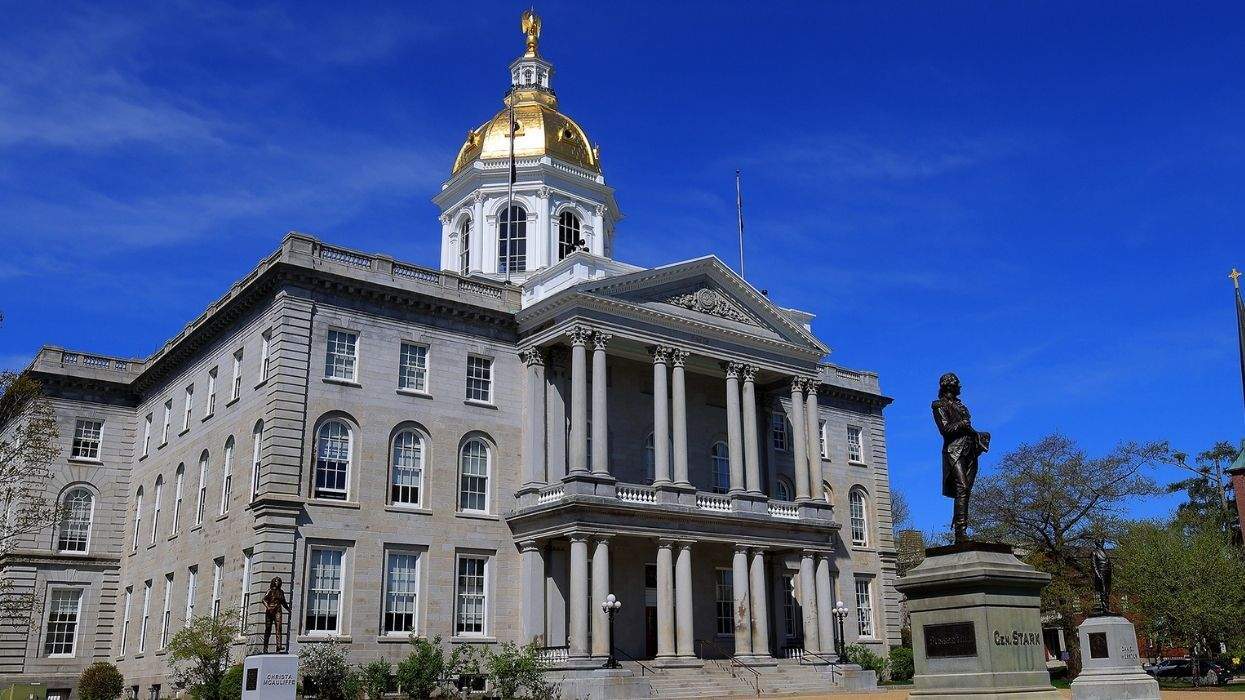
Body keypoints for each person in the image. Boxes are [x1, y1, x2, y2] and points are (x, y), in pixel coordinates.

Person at [932, 372, 991, 543]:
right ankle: (960, 532)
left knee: (965, 491)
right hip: (954, 451)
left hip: (969, 450)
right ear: (948, 385)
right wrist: (962, 424)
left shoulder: (961, 406)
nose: (960, 386)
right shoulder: (938, 406)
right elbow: (945, 430)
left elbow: (967, 429)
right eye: (957, 383)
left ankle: (961, 529)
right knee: (962, 487)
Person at [262, 577, 291, 653]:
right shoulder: (270, 591)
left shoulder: (281, 592)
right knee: (268, 629)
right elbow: (264, 599)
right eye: (276, 581)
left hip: (278, 611)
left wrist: (288, 609)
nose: (277, 582)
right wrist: (268, 606)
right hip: (270, 611)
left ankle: (279, 647)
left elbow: (283, 602)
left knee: (279, 628)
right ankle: (265, 648)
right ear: (273, 582)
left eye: (279, 581)